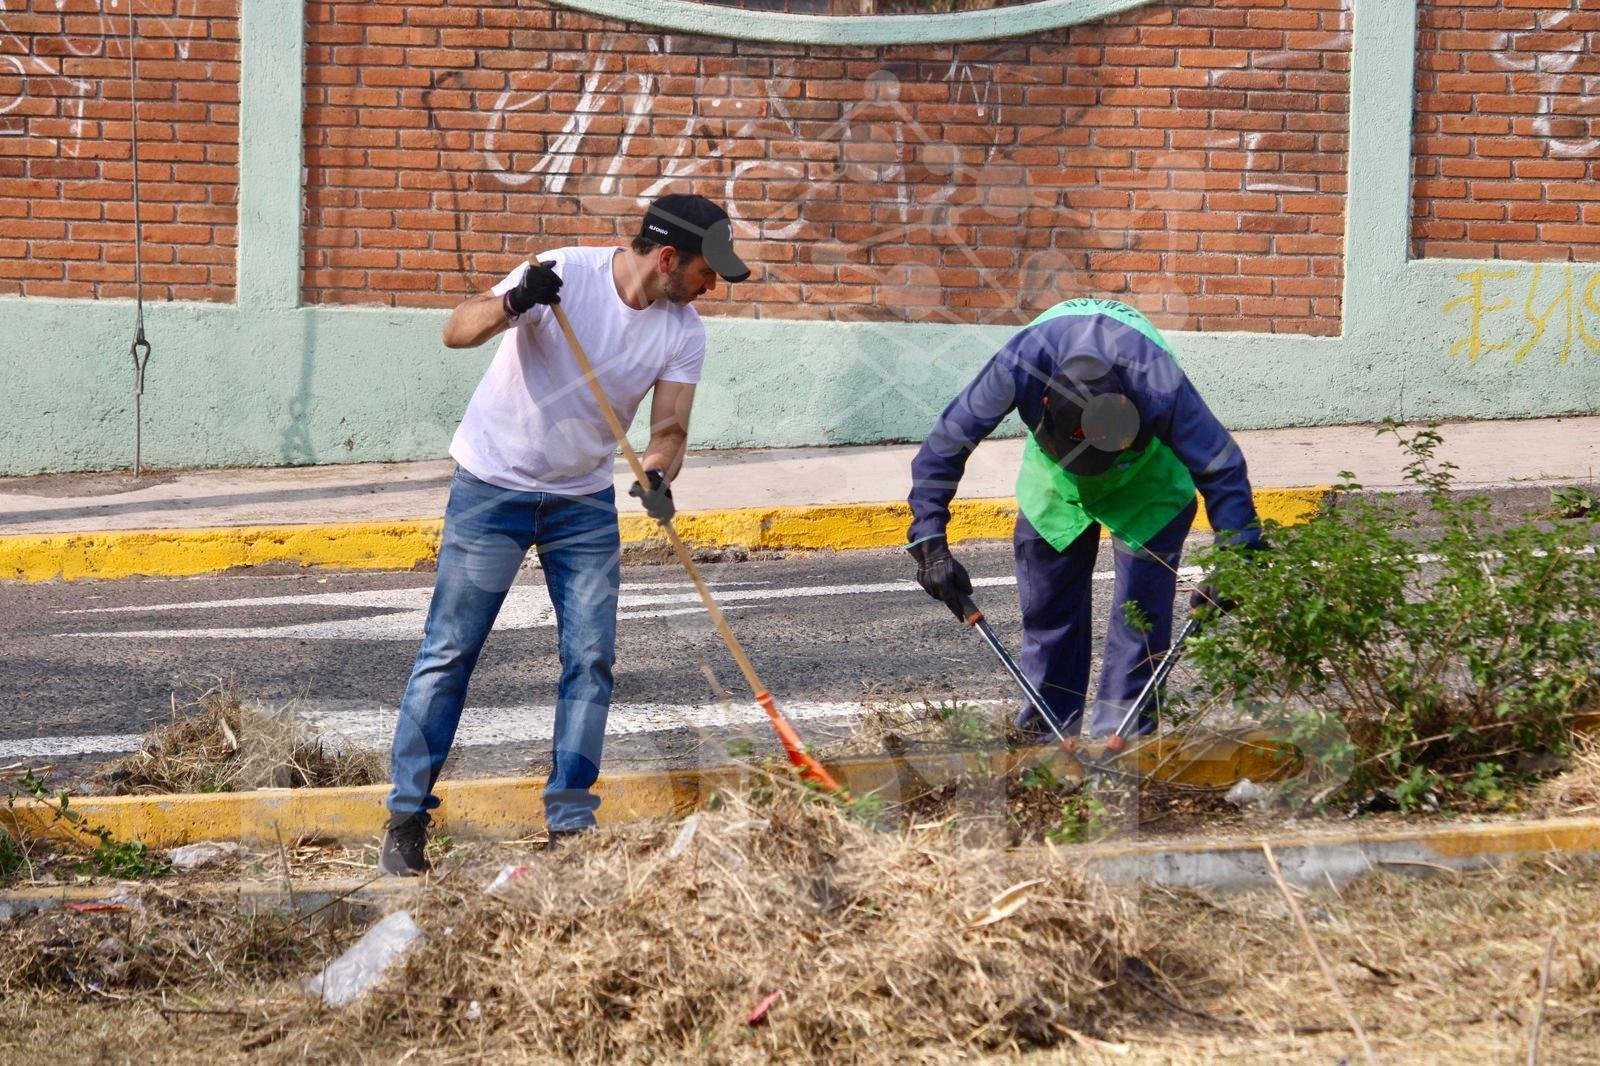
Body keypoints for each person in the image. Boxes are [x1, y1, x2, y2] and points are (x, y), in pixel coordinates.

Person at [379, 194, 751, 876]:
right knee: (451, 649)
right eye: (707, 269)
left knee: (591, 660)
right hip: (493, 486)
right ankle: (406, 818)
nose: (713, 284)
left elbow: (668, 430)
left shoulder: (684, 331)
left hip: (582, 502)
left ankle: (570, 827)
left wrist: (660, 471)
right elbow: (456, 331)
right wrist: (516, 302)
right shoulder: (562, 273)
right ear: (668, 258)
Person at [905, 298, 1261, 741]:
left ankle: (1125, 745)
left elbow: (1220, 464)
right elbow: (945, 444)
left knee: (1140, 624)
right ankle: (1047, 741)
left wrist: (1238, 553)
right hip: (1054, 484)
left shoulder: (1158, 383)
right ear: (1047, 401)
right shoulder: (1020, 363)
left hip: (1146, 481)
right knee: (1049, 613)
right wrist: (930, 541)